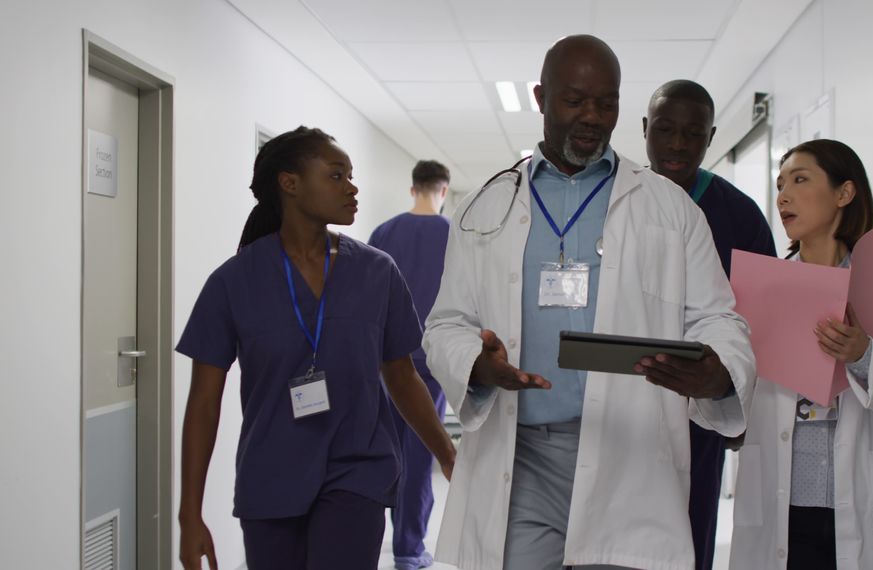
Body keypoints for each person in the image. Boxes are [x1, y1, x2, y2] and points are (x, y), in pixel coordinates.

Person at [424, 35, 756, 570]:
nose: (593, 117)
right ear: (541, 97)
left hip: (630, 452)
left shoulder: (669, 207)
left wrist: (718, 376)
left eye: (607, 102)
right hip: (524, 455)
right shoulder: (488, 205)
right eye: (575, 100)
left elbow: (718, 316)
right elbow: (447, 323)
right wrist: (476, 365)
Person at [176, 126, 456, 570]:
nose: (352, 186)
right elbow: (203, 403)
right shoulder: (233, 282)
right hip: (270, 478)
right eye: (336, 175)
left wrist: (447, 454)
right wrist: (189, 514)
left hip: (357, 472)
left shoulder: (377, 272)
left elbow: (401, 374)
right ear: (290, 183)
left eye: (350, 175)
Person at [729, 139, 873, 570]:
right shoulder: (759, 289)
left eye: (800, 180)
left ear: (844, 193)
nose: (783, 195)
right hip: (779, 505)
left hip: (861, 501)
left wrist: (863, 354)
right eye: (780, 184)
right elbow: (736, 391)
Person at [643, 79, 777, 570]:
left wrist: (745, 405)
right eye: (665, 130)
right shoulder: (616, 202)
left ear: (711, 136)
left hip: (699, 404)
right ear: (645, 131)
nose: (678, 144)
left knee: (690, 531)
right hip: (621, 396)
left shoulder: (740, 217)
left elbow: (763, 322)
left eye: (693, 133)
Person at [367, 159, 452, 570]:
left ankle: (395, 534)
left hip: (385, 358)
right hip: (429, 359)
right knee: (420, 449)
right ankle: (408, 547)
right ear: (444, 190)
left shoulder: (383, 233)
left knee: (390, 447)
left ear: (412, 188)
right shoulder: (453, 234)